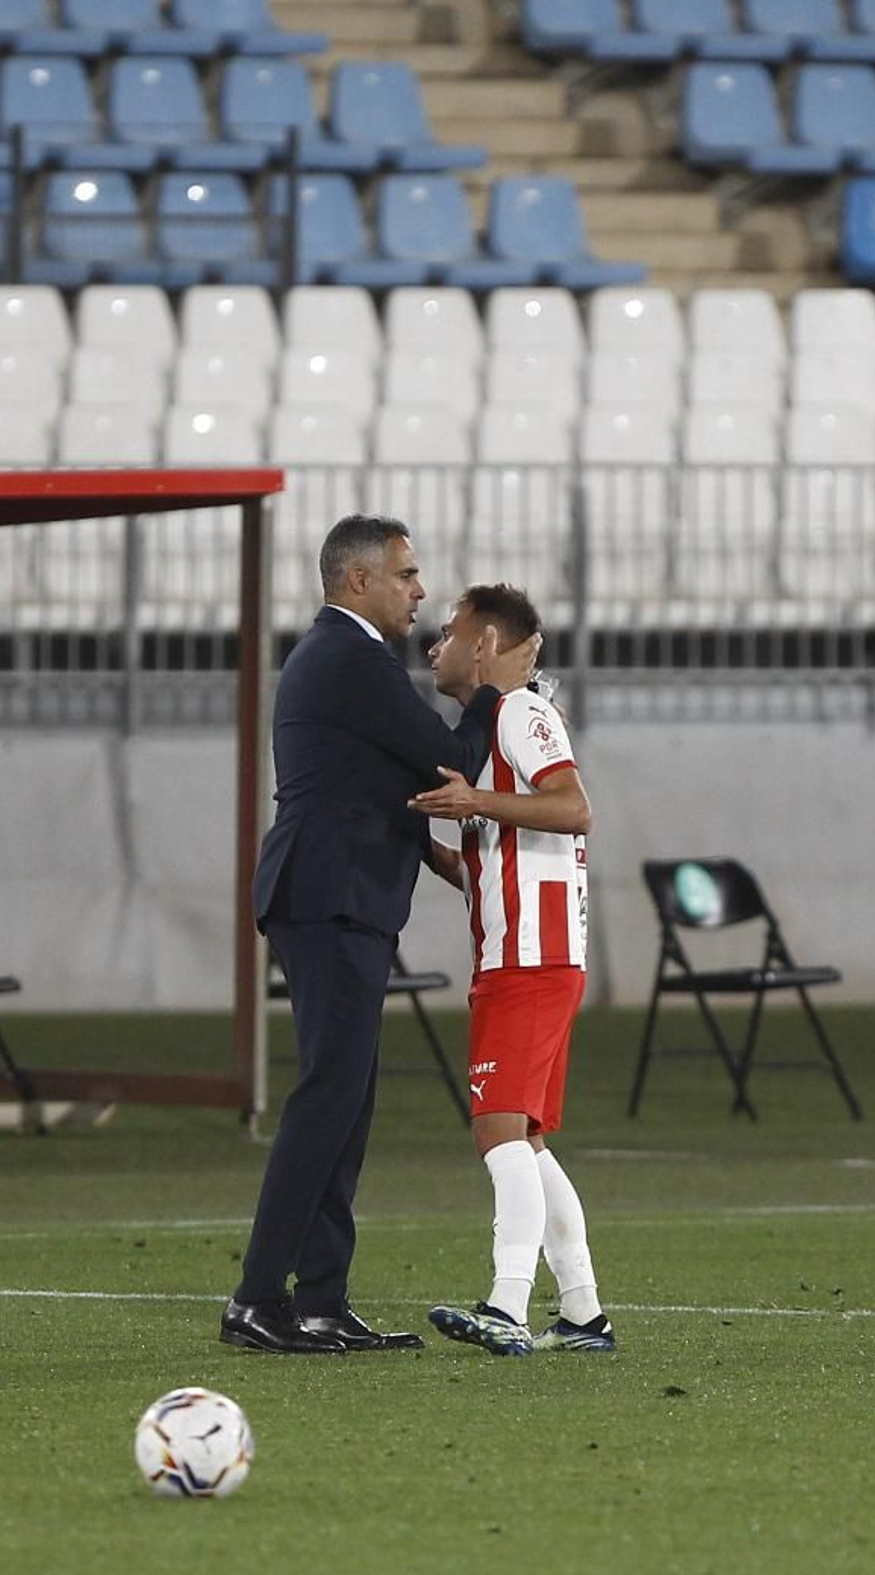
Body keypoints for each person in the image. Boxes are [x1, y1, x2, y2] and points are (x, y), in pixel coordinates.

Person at [221, 518, 539, 1355]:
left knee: (347, 1100)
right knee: (330, 1092)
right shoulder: (352, 658)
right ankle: (258, 1295)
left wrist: (427, 850)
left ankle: (321, 1298)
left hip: (335, 894)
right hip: (328, 897)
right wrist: (489, 689)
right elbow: (445, 761)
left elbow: (376, 781)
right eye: (405, 575)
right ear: (357, 581)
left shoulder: (343, 661)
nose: (421, 591)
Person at [409, 583, 615, 1357]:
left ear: (487, 644)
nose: (437, 646)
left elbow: (573, 806)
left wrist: (477, 801)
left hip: (532, 958)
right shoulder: (487, 730)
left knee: (497, 1129)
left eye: (450, 632)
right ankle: (583, 1312)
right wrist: (423, 841)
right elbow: (489, 869)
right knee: (523, 1139)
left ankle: (506, 1303)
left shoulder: (522, 712)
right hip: (524, 957)